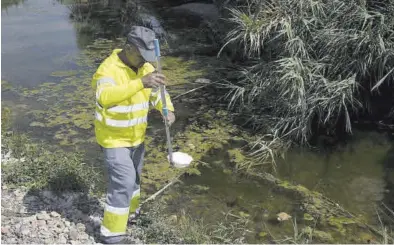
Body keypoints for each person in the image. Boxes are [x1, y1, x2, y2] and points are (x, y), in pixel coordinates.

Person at [91, 26, 176, 244]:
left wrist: (167, 109)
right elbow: (105, 97)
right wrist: (140, 83)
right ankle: (112, 236)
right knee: (123, 182)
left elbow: (158, 94)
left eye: (147, 57)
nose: (144, 62)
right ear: (129, 48)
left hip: (137, 138)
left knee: (135, 180)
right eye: (141, 56)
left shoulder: (145, 66)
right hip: (113, 139)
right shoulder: (107, 70)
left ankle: (131, 214)